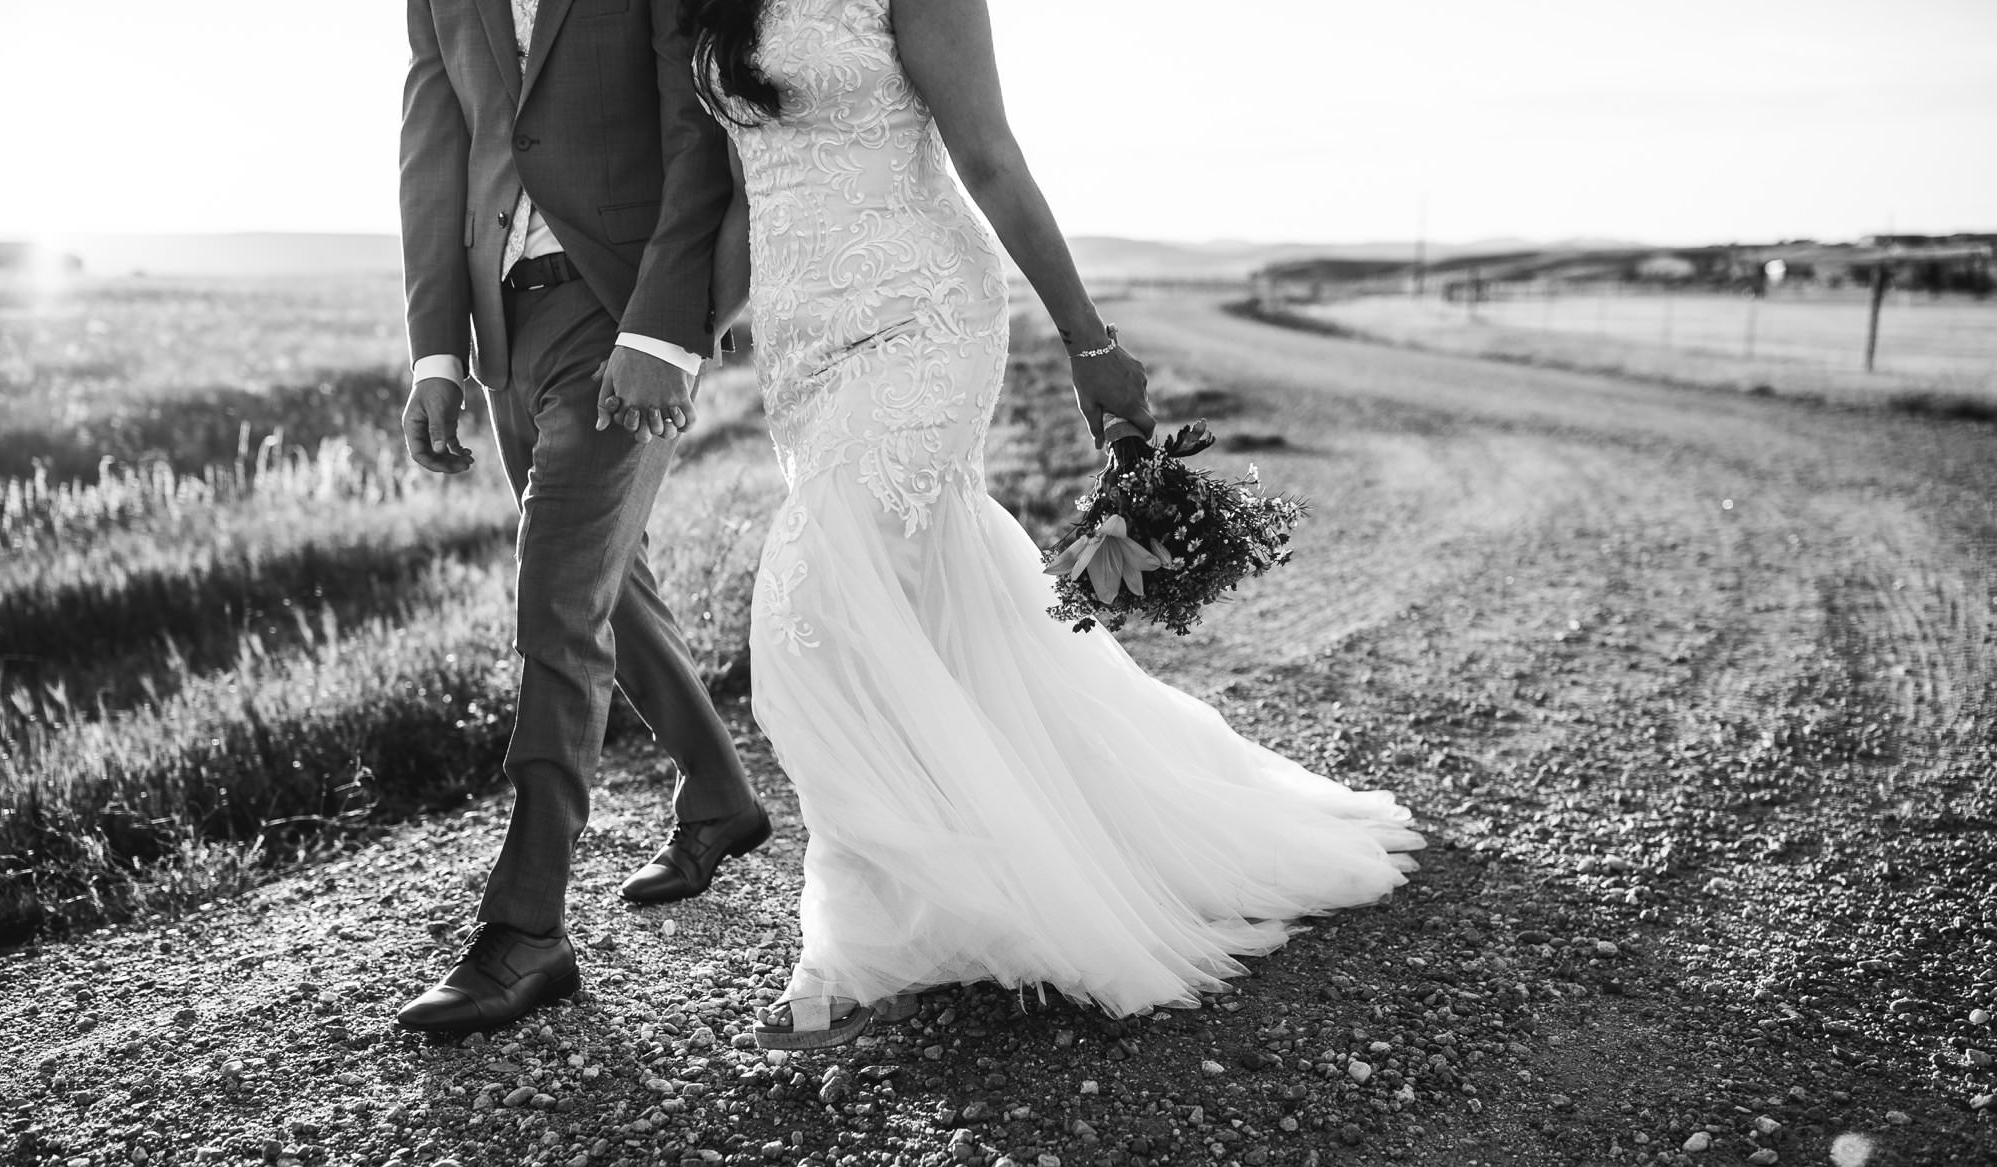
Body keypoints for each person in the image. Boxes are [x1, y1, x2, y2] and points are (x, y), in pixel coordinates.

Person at [686, 0, 1425, 1050]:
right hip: (802, 343)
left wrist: (1088, 342)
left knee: (808, 610)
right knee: (932, 606)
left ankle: (858, 936)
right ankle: (974, 873)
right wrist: (674, 343)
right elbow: (736, 191)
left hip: (922, 319)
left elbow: (987, 158)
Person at [393, 0, 772, 1037]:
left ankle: (526, 926)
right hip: (504, 329)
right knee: (607, 580)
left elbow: (695, 123)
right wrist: (438, 352)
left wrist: (664, 326)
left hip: (623, 309)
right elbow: (433, 147)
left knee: (557, 597)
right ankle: (719, 794)